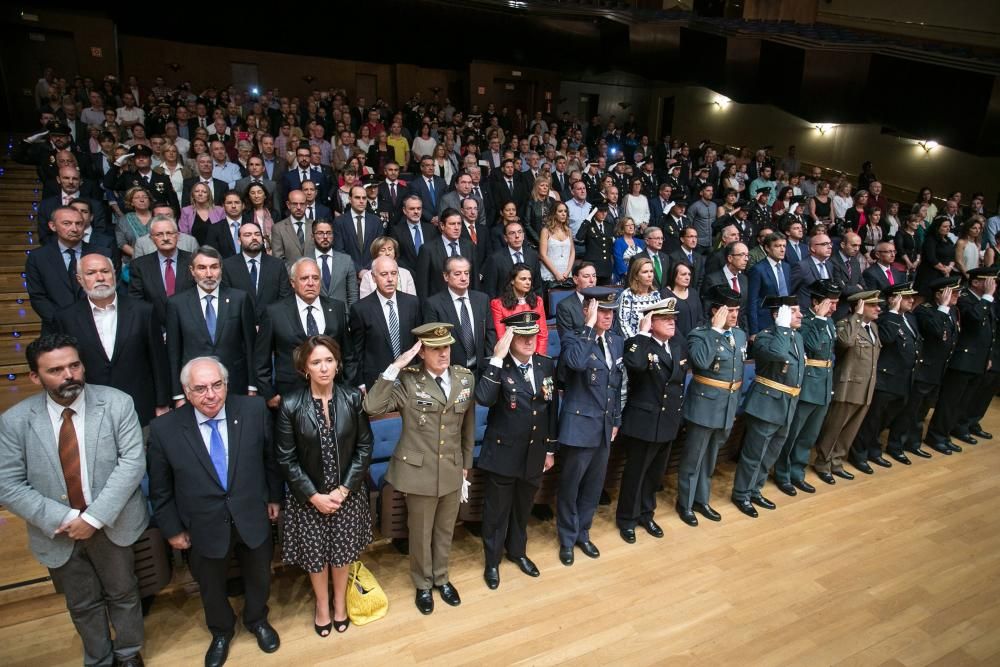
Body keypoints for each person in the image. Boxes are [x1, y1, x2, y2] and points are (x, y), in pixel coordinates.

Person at [0, 334, 148, 667]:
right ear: (35, 377)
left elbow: (132, 464)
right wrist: (67, 518)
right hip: (57, 530)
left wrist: (93, 518)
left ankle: (127, 652)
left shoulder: (117, 403)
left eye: (74, 365)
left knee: (123, 592)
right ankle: (98, 658)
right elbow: (8, 484)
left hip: (112, 521)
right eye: (56, 370)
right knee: (82, 603)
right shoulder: (14, 422)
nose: (69, 375)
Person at [147, 358, 282, 667]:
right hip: (202, 524)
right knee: (210, 585)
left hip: (251, 514)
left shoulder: (253, 410)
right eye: (200, 388)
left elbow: (270, 460)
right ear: (186, 391)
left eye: (217, 385)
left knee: (259, 575)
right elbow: (161, 488)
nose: (211, 395)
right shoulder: (164, 429)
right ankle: (221, 631)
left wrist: (275, 497)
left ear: (227, 384)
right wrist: (171, 529)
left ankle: (257, 620)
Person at [363, 323, 475, 614]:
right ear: (422, 352)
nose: (443, 354)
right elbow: (373, 406)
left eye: (446, 347)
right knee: (421, 532)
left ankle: (442, 577)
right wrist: (396, 367)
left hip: (451, 468)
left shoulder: (464, 379)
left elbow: (468, 426)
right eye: (436, 349)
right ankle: (423, 584)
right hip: (419, 470)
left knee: (444, 530)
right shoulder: (409, 382)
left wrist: (465, 464)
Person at [276, 336, 373, 636]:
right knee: (317, 557)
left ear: (337, 363)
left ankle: (340, 603)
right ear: (305, 367)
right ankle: (322, 605)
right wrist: (314, 496)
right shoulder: (290, 404)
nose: (323, 368)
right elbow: (286, 458)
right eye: (316, 362)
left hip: (347, 493)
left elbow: (364, 446)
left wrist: (344, 490)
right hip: (309, 498)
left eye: (329, 360)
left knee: (342, 554)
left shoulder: (352, 398)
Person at [475, 314, 559, 589]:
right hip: (503, 454)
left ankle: (517, 552)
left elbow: (550, 410)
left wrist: (549, 449)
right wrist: (497, 358)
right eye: (522, 336)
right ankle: (492, 561)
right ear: (510, 338)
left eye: (532, 335)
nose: (529, 341)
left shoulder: (545, 364)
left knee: (523, 509)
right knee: (497, 512)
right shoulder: (496, 366)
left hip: (534, 452)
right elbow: (485, 399)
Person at [52, 253, 170, 426]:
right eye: (91, 273)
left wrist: (162, 404)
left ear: (114, 274)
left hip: (140, 407)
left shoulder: (143, 311)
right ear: (80, 279)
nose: (100, 277)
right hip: (89, 408)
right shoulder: (66, 318)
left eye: (105, 271)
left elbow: (158, 361)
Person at [556, 288, 624, 565]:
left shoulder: (616, 341)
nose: (608, 317)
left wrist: (616, 420)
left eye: (610, 312)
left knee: (594, 486)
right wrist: (588, 327)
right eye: (602, 311)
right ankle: (567, 538)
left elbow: (616, 384)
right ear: (588, 310)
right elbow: (576, 363)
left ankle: (583, 532)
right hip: (579, 425)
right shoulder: (574, 339)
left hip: (605, 426)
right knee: (571, 486)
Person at [616, 298, 688, 542]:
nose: (672, 322)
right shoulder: (639, 345)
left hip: (667, 421)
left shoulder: (676, 346)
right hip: (644, 423)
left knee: (655, 475)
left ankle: (646, 514)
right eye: (665, 318)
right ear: (650, 321)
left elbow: (677, 384)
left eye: (673, 318)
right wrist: (642, 334)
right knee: (636, 474)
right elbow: (634, 365)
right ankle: (627, 518)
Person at [676, 285, 746, 526]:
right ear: (716, 311)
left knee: (710, 459)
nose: (735, 315)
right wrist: (715, 331)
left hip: (727, 405)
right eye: (730, 310)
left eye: (737, 310)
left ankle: (701, 500)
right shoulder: (699, 334)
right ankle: (684, 503)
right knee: (693, 458)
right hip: (704, 406)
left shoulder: (739, 335)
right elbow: (701, 362)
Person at [731, 296, 805, 517]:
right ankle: (741, 494)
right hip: (767, 403)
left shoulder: (797, 337)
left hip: (788, 403)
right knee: (754, 454)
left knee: (772, 452)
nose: (800, 315)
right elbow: (778, 354)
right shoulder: (765, 338)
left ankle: (755, 489)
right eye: (793, 311)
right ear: (778, 316)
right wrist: (782, 328)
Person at [165, 245, 257, 402]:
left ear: (221, 268)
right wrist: (178, 395)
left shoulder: (239, 299)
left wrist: (252, 386)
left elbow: (251, 346)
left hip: (235, 384)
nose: (209, 274)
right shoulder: (177, 304)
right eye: (202, 268)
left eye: (214, 267)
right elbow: (174, 352)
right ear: (192, 271)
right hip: (196, 388)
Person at [773, 280, 839, 495]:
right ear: (817, 302)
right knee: (794, 433)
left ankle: (797, 473)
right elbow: (811, 345)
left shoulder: (828, 321)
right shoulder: (808, 320)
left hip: (824, 384)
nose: (834, 308)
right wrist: (819, 318)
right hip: (808, 384)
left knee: (809, 435)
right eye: (830, 303)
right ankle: (782, 473)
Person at [849, 282, 921, 472]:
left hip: (903, 378)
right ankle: (859, 454)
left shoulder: (909, 318)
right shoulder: (885, 319)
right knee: (872, 419)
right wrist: (894, 312)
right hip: (885, 378)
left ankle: (874, 450)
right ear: (893, 299)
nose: (911, 300)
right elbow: (888, 338)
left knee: (885, 419)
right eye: (906, 297)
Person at [924, 268, 997, 452]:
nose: (993, 285)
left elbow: (990, 331)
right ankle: (937, 435)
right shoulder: (965, 298)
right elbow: (974, 319)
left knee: (963, 401)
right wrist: (988, 296)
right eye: (988, 281)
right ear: (975, 282)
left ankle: (948, 432)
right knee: (950, 401)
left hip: (978, 360)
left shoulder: (982, 300)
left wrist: (987, 356)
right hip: (962, 359)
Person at [813, 290, 882, 485]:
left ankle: (836, 461)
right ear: (859, 306)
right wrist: (857, 317)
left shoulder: (874, 328)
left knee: (850, 429)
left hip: (866, 387)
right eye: (872, 305)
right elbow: (846, 342)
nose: (878, 308)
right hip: (848, 386)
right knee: (834, 428)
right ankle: (823, 463)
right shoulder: (845, 325)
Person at [26, 205, 113, 331]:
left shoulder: (103, 254)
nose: (74, 229)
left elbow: (111, 290)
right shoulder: (38, 257)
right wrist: (62, 322)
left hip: (99, 326)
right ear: (52, 226)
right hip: (56, 327)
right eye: (67, 223)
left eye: (79, 224)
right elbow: (38, 297)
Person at [349, 256, 422, 391]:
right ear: (373, 277)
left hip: (410, 380)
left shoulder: (412, 303)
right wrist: (360, 383)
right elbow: (356, 352)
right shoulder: (360, 309)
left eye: (393, 273)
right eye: (384, 274)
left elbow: (418, 344)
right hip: (376, 382)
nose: (390, 279)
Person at [425, 256, 495, 378]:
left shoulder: (482, 299)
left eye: (466, 273)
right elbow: (433, 343)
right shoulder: (434, 304)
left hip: (480, 370)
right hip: (450, 372)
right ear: (446, 276)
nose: (463, 278)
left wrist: (488, 361)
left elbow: (490, 332)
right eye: (457, 274)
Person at [221, 221, 291, 321]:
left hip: (272, 324)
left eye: (257, 234)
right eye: (248, 235)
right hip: (240, 326)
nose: (254, 237)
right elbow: (226, 300)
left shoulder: (277, 265)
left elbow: (285, 298)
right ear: (239, 241)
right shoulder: (227, 266)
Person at [746, 232, 792, 335]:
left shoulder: (787, 267)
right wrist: (754, 331)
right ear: (767, 248)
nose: (782, 249)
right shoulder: (757, 269)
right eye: (777, 246)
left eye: (784, 246)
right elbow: (752, 302)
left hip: (786, 319)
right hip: (765, 323)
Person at [480, 219, 541, 298]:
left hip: (529, 305)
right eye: (512, 233)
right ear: (505, 238)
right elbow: (490, 290)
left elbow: (538, 286)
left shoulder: (533, 255)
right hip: (504, 306)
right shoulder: (495, 259)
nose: (517, 236)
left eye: (519, 232)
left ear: (523, 235)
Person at [618, 257, 660, 338]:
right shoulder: (627, 295)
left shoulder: (655, 294)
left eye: (651, 271)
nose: (649, 275)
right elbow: (623, 324)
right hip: (635, 343)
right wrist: (637, 343)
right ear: (636, 276)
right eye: (645, 272)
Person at [576, 203, 616, 284]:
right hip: (592, 269)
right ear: (594, 212)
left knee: (606, 295)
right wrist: (589, 217)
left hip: (606, 269)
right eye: (600, 211)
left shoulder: (609, 226)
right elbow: (579, 237)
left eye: (605, 211)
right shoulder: (588, 225)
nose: (604, 213)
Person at [539, 202, 576, 288]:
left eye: (565, 211)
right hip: (550, 275)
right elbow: (542, 255)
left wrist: (568, 272)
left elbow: (572, 252)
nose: (563, 214)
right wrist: (556, 273)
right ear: (554, 213)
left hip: (566, 275)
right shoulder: (545, 231)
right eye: (560, 211)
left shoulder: (568, 231)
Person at [556, 261, 598, 336]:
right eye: (586, 276)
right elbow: (568, 341)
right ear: (575, 279)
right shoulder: (565, 306)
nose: (592, 280)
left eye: (594, 276)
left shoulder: (602, 301)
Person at [661, 260, 702, 336]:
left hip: (695, 339)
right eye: (683, 274)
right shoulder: (665, 294)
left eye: (689, 274)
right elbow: (668, 322)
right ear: (674, 275)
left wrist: (696, 336)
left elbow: (700, 318)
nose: (687, 277)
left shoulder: (693, 292)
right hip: (676, 341)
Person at [916, 216, 956, 288]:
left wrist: (949, 268)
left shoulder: (949, 240)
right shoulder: (930, 240)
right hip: (929, 274)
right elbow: (932, 258)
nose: (948, 228)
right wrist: (945, 270)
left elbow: (952, 257)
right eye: (945, 226)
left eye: (949, 226)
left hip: (944, 275)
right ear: (937, 227)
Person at [612, 217, 645, 285]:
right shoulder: (618, 242)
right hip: (624, 277)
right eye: (628, 225)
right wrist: (629, 275)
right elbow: (618, 260)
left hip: (640, 276)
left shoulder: (641, 242)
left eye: (632, 225)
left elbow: (644, 258)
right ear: (622, 227)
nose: (631, 227)